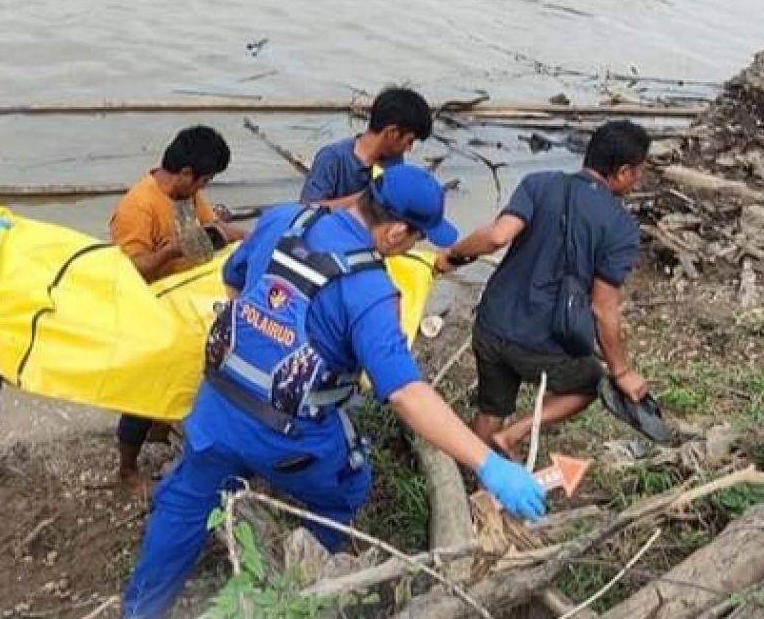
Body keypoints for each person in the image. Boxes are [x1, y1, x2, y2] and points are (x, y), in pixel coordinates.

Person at [121, 165, 546, 617]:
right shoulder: (369, 291)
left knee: (184, 501)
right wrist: (488, 463)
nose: (414, 246)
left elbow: (233, 281)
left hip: (216, 408)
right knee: (346, 489)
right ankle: (294, 595)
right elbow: (406, 394)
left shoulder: (282, 219)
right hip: (289, 439)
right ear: (397, 232)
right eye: (416, 238)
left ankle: (142, 609)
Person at [439, 120, 652, 460]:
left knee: (491, 409)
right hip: (541, 344)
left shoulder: (540, 183)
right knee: (590, 383)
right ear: (623, 172)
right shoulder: (621, 227)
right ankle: (515, 434)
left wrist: (449, 258)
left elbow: (497, 236)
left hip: (491, 325)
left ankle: (473, 480)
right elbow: (602, 308)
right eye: (638, 171)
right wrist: (622, 371)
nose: (637, 179)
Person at [109, 126, 244, 491]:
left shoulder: (186, 196)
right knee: (143, 391)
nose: (204, 188)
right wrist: (169, 251)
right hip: (147, 310)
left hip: (184, 304)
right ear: (185, 174)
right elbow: (129, 270)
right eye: (204, 180)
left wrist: (250, 235)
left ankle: (161, 425)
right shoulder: (138, 207)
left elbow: (209, 229)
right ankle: (126, 469)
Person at [300, 86, 433, 205]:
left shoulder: (393, 163)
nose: (409, 148)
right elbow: (308, 208)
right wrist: (366, 200)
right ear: (392, 133)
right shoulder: (333, 158)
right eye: (409, 141)